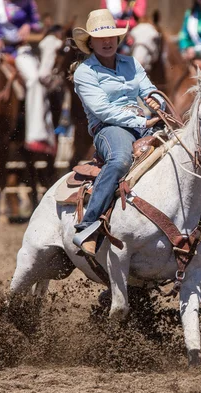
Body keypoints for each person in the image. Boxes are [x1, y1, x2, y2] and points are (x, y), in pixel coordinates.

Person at [71, 9, 163, 256]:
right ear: (90, 42)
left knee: (187, 151)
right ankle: (88, 227)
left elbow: (149, 90)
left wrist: (157, 102)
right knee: (121, 159)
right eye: (101, 38)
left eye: (111, 36)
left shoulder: (131, 63)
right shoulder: (85, 73)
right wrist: (142, 122)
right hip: (109, 129)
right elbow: (103, 111)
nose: (107, 41)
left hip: (143, 122)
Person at [0, 0, 56, 155]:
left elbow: (38, 24)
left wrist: (29, 26)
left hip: (20, 51)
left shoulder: (27, 2)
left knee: (35, 80)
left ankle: (36, 135)